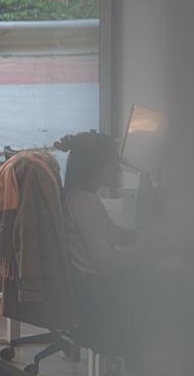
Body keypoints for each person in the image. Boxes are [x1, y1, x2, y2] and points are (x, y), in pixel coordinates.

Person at [58, 132, 143, 350]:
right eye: (113, 163)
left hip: (83, 291)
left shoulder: (75, 195)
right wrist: (145, 254)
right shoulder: (87, 204)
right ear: (96, 168)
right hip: (99, 297)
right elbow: (106, 266)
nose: (118, 169)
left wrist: (132, 236)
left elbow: (108, 232)